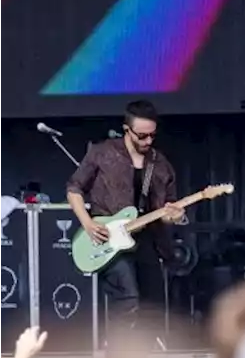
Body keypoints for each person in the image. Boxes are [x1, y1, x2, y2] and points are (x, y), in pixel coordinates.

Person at [67, 100, 185, 333]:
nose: (147, 141)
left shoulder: (160, 164)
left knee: (153, 307)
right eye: (141, 136)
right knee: (127, 300)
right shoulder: (102, 153)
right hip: (109, 237)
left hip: (147, 239)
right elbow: (74, 188)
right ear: (126, 130)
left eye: (152, 135)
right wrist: (88, 224)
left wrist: (176, 216)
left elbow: (166, 210)